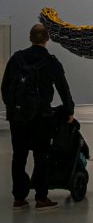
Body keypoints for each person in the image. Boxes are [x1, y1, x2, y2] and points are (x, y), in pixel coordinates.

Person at [2, 23, 75, 209]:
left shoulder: (16, 59)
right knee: (41, 156)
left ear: (30, 38)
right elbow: (63, 89)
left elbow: (5, 87)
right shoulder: (51, 62)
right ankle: (41, 198)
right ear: (47, 39)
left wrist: (13, 108)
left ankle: (19, 198)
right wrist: (69, 111)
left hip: (18, 117)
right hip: (41, 116)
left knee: (19, 156)